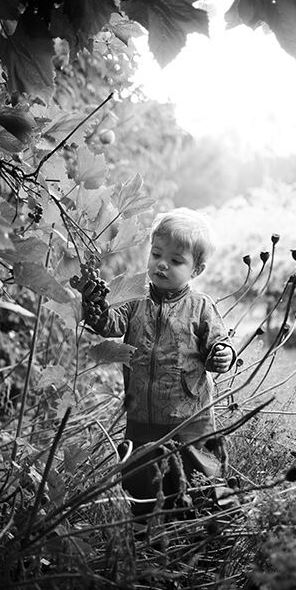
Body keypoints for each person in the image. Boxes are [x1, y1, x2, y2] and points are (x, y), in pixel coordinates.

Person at [83, 208, 236, 510]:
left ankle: (204, 521)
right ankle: (146, 529)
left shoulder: (200, 306)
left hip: (188, 417)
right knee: (142, 483)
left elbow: (219, 342)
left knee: (197, 481)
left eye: (176, 261)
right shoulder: (135, 299)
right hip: (141, 415)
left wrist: (223, 354)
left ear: (196, 270)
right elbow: (109, 324)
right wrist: (94, 303)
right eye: (156, 254)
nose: (162, 264)